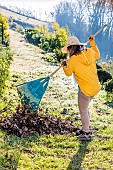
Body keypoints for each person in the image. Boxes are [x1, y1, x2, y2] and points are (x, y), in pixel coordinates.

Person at [61, 35, 101, 141]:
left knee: (83, 110)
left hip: (85, 89)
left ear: (70, 48)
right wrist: (92, 43)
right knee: (85, 108)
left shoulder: (72, 60)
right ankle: (85, 129)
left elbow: (68, 73)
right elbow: (97, 54)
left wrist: (65, 65)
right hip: (95, 86)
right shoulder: (89, 52)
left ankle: (86, 133)